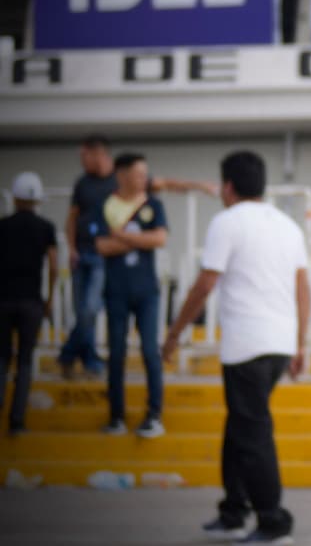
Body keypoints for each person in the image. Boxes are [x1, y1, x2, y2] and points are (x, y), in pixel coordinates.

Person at [162, 150, 310, 545]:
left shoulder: (226, 222)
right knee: (241, 426)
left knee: (252, 430)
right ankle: (233, 512)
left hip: (247, 344)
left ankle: (273, 521)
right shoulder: (288, 226)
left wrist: (175, 332)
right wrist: (299, 344)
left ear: (228, 186)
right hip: (278, 344)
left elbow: (205, 283)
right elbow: (303, 289)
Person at [59, 133, 215, 379]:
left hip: (109, 259)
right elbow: (73, 218)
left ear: (98, 153)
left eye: (84, 155)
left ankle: (68, 355)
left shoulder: (129, 182)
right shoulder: (83, 184)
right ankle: (86, 357)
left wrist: (199, 186)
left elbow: (166, 187)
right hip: (85, 252)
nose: (81, 160)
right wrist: (72, 248)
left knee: (90, 309)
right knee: (83, 313)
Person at [91, 152, 168, 438]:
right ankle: (116, 416)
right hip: (116, 291)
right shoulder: (106, 206)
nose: (142, 180)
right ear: (121, 175)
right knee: (117, 353)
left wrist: (121, 237)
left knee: (150, 351)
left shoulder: (152, 204)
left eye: (144, 175)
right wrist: (139, 241)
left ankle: (154, 414)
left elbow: (159, 238)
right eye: (137, 174)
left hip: (147, 291)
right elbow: (101, 247)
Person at [0, 172, 58, 436]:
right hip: (31, 301)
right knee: (24, 362)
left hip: (3, 299)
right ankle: (17, 420)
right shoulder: (45, 228)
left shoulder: (3, 226)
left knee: (2, 359)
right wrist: (50, 297)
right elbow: (54, 266)